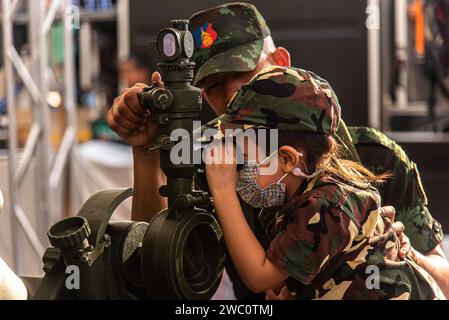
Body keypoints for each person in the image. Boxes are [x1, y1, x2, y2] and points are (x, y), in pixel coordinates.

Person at [106, 2, 448, 298]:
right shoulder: (209, 152)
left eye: (243, 74)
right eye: (212, 88)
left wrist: (403, 257)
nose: (231, 97)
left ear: (281, 60)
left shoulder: (374, 156)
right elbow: (155, 267)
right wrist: (147, 150)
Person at [203, 66, 445, 300]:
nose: (237, 167)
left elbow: (258, 276)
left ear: (287, 159)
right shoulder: (302, 192)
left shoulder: (327, 204)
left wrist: (223, 190)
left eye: (244, 158)